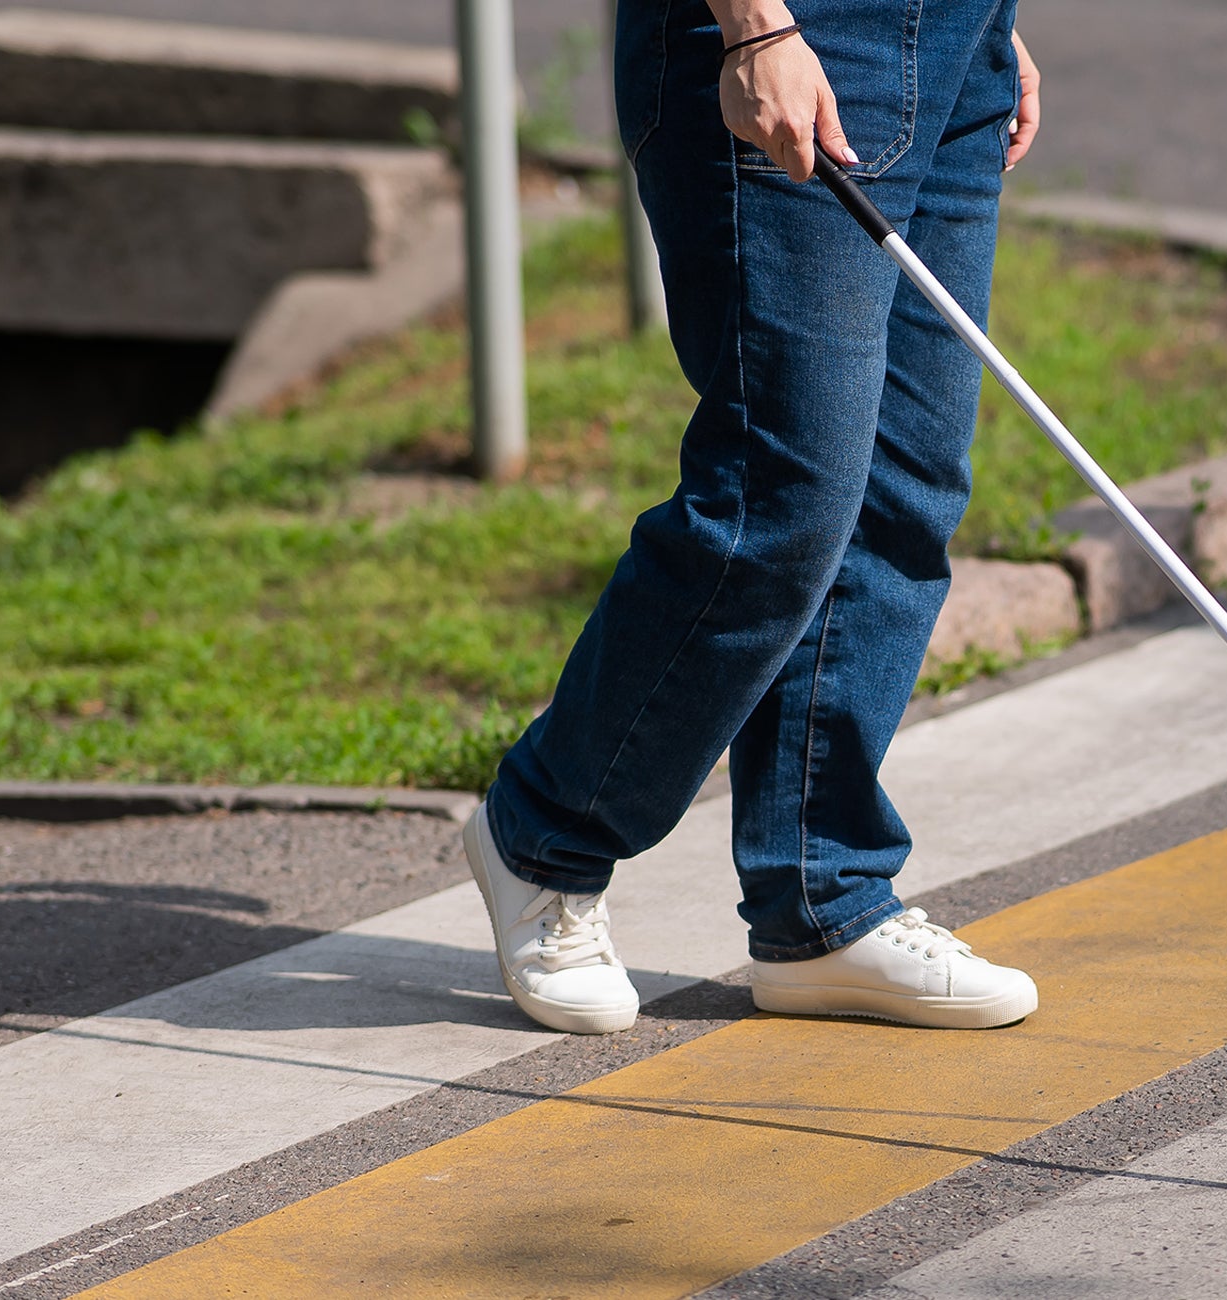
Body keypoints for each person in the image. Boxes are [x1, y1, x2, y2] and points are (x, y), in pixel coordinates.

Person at [460, 0, 1045, 1034]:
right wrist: (755, 27)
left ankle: (824, 904)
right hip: (793, 28)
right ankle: (541, 836)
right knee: (780, 499)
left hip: (950, 40)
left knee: (900, 494)